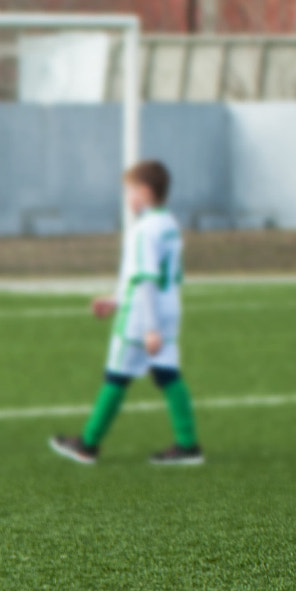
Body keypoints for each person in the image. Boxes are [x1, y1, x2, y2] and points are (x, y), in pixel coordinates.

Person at [51, 160, 202, 466]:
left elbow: (145, 278)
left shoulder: (144, 230)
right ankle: (188, 445)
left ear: (145, 192)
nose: (127, 197)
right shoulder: (168, 223)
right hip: (169, 308)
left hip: (142, 317)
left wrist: (149, 327)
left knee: (117, 375)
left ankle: (87, 444)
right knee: (166, 373)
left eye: (130, 190)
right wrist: (116, 298)